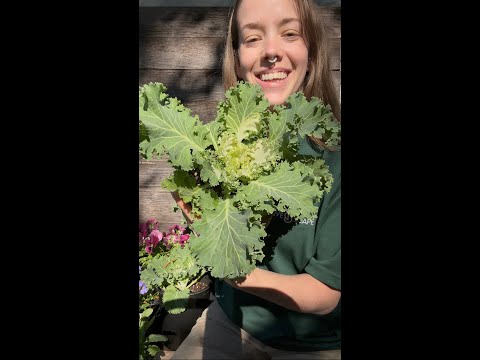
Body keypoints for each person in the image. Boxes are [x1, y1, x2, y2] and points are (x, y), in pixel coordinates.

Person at [171, 0, 341, 358]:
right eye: (251, 38)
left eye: (290, 33)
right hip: (230, 319)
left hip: (310, 344)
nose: (271, 52)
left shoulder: (333, 158)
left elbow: (326, 294)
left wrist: (237, 273)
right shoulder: (222, 144)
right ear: (236, 55)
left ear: (312, 49)